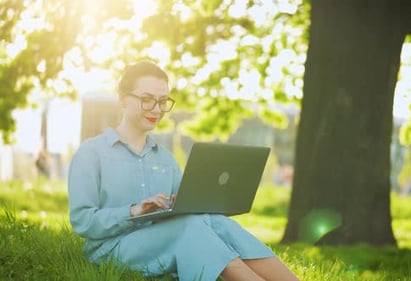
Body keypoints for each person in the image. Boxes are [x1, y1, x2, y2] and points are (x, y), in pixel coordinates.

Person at [67, 61, 300, 281]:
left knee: (213, 220)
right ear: (123, 99)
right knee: (190, 227)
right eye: (147, 100)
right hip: (111, 249)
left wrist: (185, 204)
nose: (156, 110)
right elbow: (82, 221)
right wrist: (134, 211)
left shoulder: (165, 159)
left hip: (164, 242)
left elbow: (184, 211)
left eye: (162, 101)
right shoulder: (92, 152)